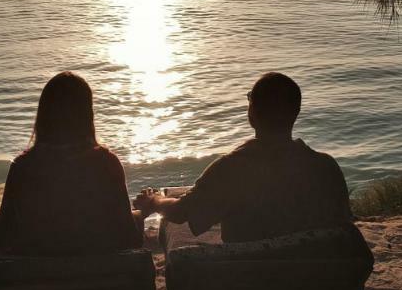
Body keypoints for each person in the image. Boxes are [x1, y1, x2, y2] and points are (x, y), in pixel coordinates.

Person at [134, 72, 353, 242]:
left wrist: (154, 201)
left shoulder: (232, 169)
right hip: (314, 280)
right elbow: (342, 225)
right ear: (295, 113)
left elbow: (182, 212)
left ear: (253, 113)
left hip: (250, 283)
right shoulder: (325, 167)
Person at [0, 71, 143, 255]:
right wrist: (139, 214)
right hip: (99, 276)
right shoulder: (107, 163)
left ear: (44, 116)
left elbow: (1, 236)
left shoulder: (23, 167)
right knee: (136, 218)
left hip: (35, 278)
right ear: (87, 114)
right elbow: (129, 235)